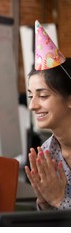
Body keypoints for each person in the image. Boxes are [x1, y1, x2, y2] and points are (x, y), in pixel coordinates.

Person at [24, 21, 71, 211]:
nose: (32, 105)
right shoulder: (46, 151)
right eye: (30, 95)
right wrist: (44, 203)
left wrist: (60, 200)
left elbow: (59, 202)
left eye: (43, 96)